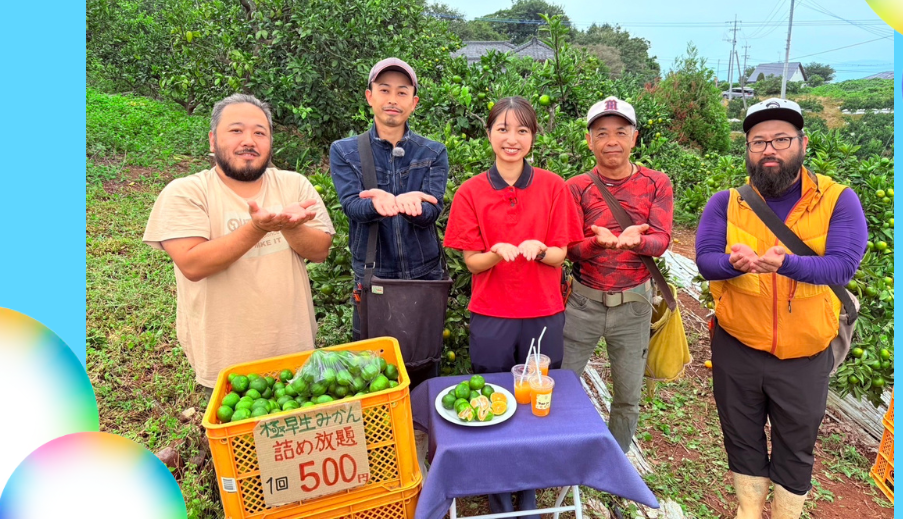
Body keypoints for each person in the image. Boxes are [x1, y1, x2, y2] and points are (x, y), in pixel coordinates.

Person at [694, 98, 868, 519]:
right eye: (758, 142)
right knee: (741, 435)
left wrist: (787, 263)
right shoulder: (727, 202)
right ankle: (748, 511)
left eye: (780, 140)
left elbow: (842, 265)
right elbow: (705, 259)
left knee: (796, 441)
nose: (769, 149)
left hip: (805, 351)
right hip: (739, 345)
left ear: (802, 143)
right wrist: (733, 263)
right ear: (748, 150)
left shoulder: (837, 200)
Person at [443, 96, 582, 515]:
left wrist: (539, 249)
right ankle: (498, 490)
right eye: (503, 129)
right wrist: (496, 251)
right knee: (493, 394)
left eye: (522, 130)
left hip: (543, 311)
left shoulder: (554, 187)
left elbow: (561, 254)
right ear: (488, 134)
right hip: (492, 314)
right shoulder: (471, 191)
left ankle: (530, 487)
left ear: (533, 137)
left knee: (538, 398)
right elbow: (472, 262)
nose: (512, 139)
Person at [143, 94, 335, 394]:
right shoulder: (187, 192)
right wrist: (258, 228)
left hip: (296, 356)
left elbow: (320, 251)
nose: (249, 140)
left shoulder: (293, 184)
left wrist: (289, 226)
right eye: (236, 130)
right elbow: (193, 264)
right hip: (228, 366)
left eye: (260, 132)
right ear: (212, 140)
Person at [563, 96, 673, 454]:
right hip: (582, 303)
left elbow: (661, 239)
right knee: (562, 385)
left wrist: (634, 241)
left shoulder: (656, 183)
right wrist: (598, 244)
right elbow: (570, 248)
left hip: (634, 306)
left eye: (620, 132)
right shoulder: (575, 187)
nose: (612, 140)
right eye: (602, 133)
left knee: (627, 395)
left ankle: (615, 460)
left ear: (634, 138)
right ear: (589, 140)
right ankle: (559, 451)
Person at [329, 57, 449, 388]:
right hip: (373, 273)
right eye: (384, 90)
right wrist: (379, 205)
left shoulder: (433, 152)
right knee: (371, 369)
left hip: (424, 274)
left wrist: (414, 206)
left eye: (401, 91)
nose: (392, 99)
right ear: (370, 96)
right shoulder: (345, 151)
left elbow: (431, 210)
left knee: (424, 362)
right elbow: (352, 206)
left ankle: (422, 430)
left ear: (414, 102)